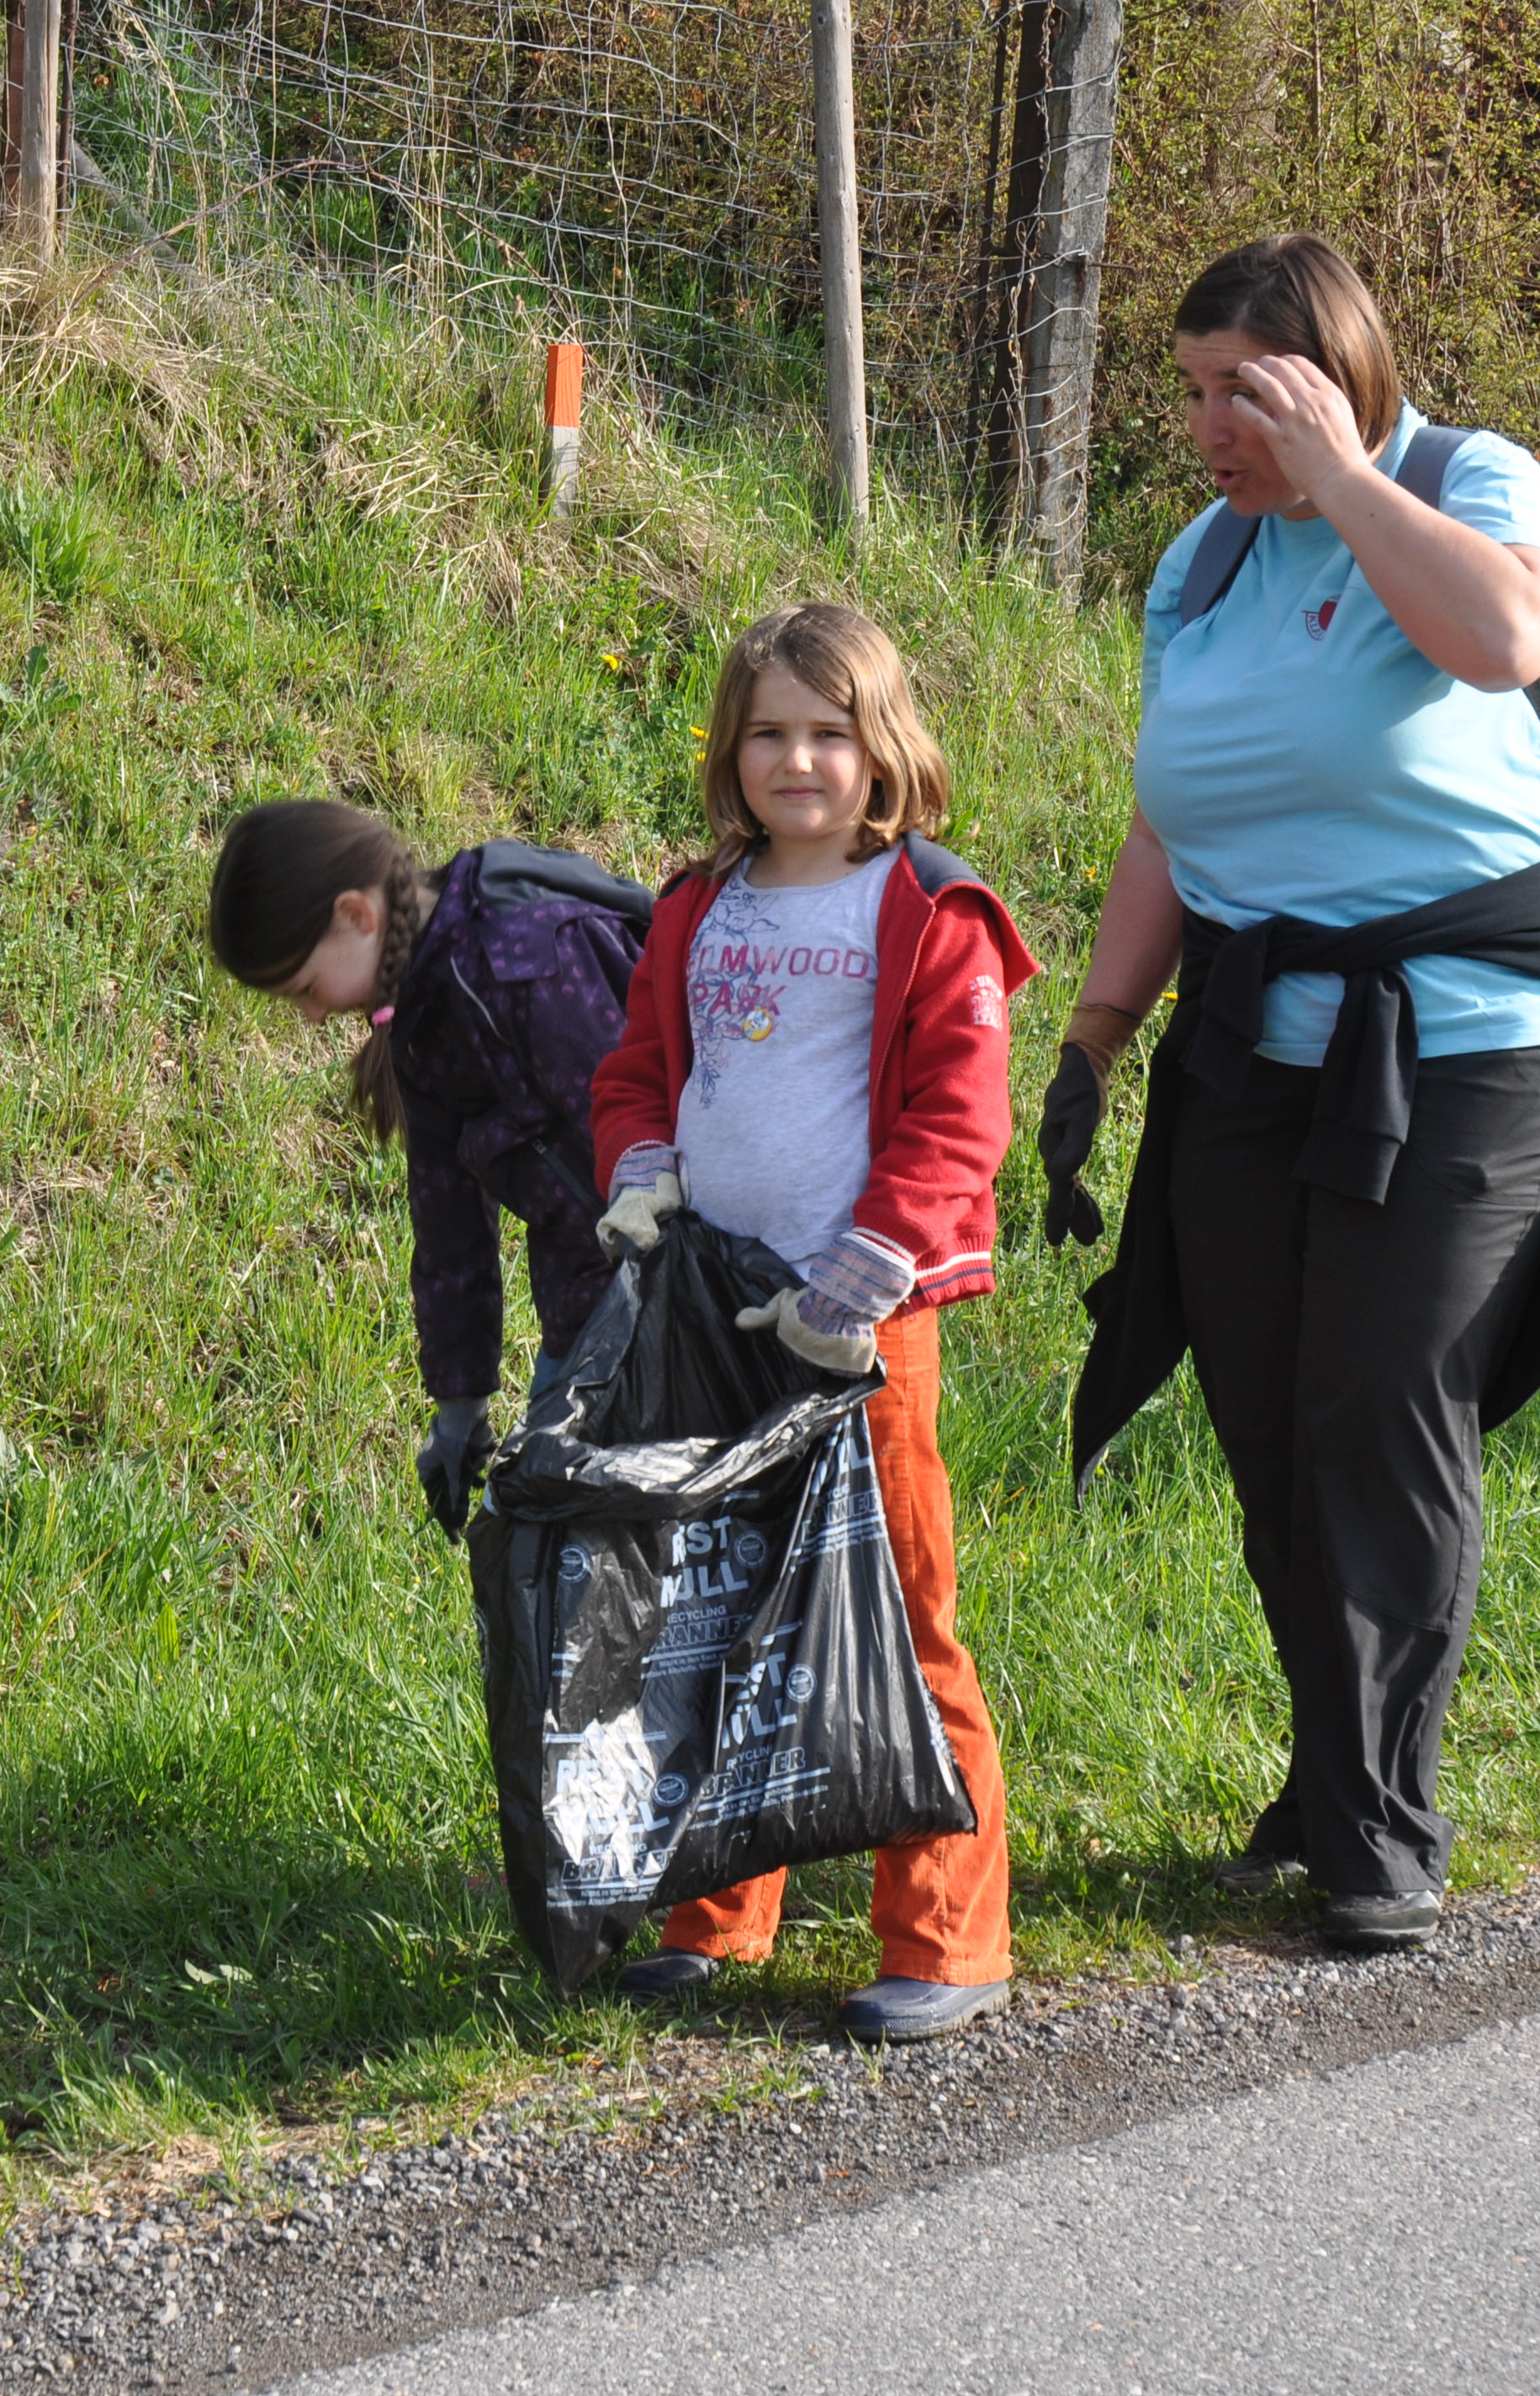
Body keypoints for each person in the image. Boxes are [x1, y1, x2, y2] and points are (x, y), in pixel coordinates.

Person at [1042, 236, 1540, 1951]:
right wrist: (1093, 1035)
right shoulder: (1202, 560)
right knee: (1264, 1410)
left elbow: (1502, 636)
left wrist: (1342, 478)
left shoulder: (1464, 480)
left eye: (1240, 390)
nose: (1205, 429)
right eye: (1189, 391)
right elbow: (1168, 818)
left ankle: (1379, 1816)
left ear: (1327, 374)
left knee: (1379, 1403)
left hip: (1474, 1038)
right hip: (1253, 1041)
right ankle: (1329, 1770)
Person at [589, 603, 1039, 2043]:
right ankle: (716, 1910)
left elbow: (960, 1112)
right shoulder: (698, 905)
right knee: (716, 1609)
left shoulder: (931, 907)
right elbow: (638, 1068)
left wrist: (871, 1263)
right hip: (715, 1310)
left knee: (898, 1619)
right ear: (730, 750)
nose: (796, 760)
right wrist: (641, 1171)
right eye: (768, 733)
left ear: (883, 743)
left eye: (828, 733)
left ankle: (948, 1938)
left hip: (859, 1325)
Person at [206, 800, 650, 1524]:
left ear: (357, 915)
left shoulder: (523, 963)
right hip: (588, 1309)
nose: (312, 1016)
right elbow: (448, 1220)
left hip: (681, 1299)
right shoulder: (424, 1003)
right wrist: (459, 1404)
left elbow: (655, 1132)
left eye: (305, 989)